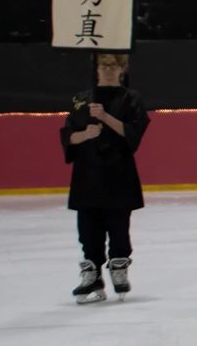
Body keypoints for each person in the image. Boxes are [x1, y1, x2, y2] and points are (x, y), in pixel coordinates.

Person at [62, 49, 147, 302]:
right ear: (96, 68)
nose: (108, 69)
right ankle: (92, 274)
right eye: (104, 65)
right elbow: (68, 136)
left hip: (118, 172)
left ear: (122, 69)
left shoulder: (131, 98)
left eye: (114, 65)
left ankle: (119, 269)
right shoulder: (81, 99)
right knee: (88, 228)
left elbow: (134, 134)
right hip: (88, 173)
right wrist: (84, 135)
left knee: (119, 226)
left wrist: (105, 117)